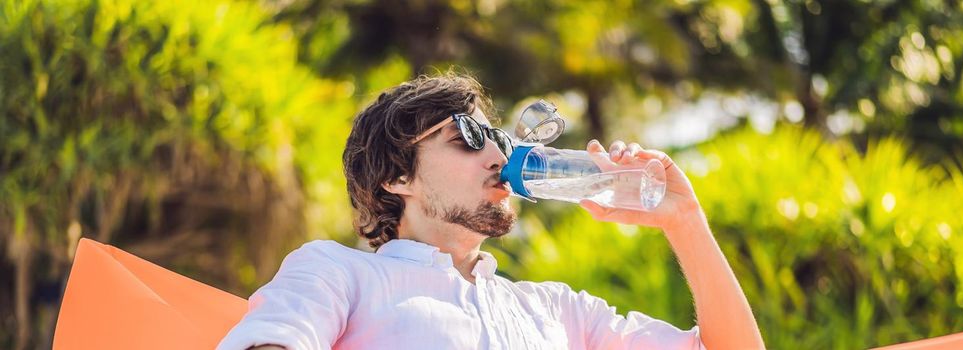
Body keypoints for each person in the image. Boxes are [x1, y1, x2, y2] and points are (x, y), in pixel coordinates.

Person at [217, 73, 764, 350]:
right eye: (468, 138)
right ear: (397, 176)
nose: (500, 155)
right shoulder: (340, 272)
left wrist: (685, 222)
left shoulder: (557, 311)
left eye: (499, 137)